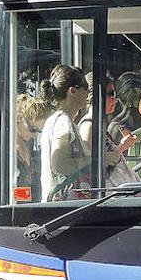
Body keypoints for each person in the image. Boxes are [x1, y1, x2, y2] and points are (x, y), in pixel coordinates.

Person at [39, 65, 92, 201]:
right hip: (66, 207)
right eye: (85, 87)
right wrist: (98, 160)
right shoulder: (63, 121)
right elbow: (60, 164)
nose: (88, 93)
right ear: (72, 91)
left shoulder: (56, 120)